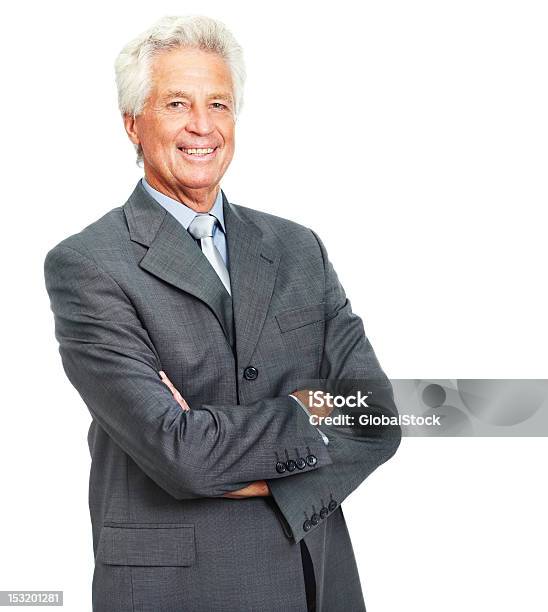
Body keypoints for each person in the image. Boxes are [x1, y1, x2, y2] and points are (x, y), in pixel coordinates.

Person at [43, 15, 401, 612]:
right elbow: (179, 453)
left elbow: (380, 416)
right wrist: (313, 411)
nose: (202, 126)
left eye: (219, 104)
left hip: (316, 579)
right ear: (132, 123)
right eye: (177, 103)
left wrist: (256, 468)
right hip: (177, 591)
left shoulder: (297, 248)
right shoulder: (88, 265)